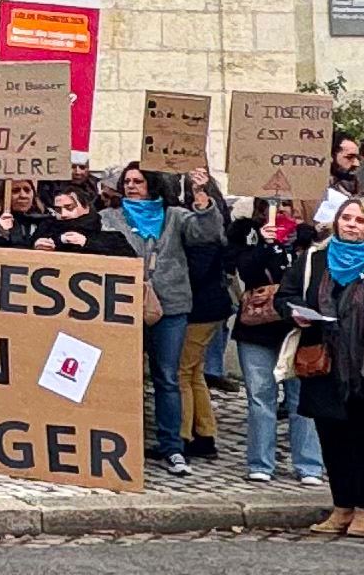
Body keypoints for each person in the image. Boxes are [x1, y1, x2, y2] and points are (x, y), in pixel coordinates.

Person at [287, 195, 364, 539]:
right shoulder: (314, 259)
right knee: (331, 438)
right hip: (323, 358)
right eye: (346, 218)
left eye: (360, 220)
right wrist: (296, 312)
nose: (351, 224)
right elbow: (286, 293)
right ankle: (341, 506)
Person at [109, 162, 216, 472]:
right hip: (124, 306)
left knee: (167, 377)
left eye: (138, 181)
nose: (131, 186)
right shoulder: (111, 218)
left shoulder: (175, 217)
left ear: (152, 185)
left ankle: (173, 446)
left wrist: (201, 196)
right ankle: (123, 441)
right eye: (127, 181)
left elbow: (207, 233)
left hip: (170, 306)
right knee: (123, 378)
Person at [225, 196, 323, 488]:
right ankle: (260, 463)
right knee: (260, 398)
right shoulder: (248, 234)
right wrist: (265, 247)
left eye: (285, 204)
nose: (279, 210)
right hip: (259, 327)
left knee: (302, 400)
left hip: (298, 327)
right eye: (272, 204)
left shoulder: (308, 240)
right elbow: (247, 273)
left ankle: (309, 464)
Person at [173, 168, 236, 470]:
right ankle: (205, 433)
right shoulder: (215, 224)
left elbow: (197, 270)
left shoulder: (205, 230)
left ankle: (182, 435)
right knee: (194, 372)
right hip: (211, 307)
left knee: (181, 372)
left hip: (201, 307)